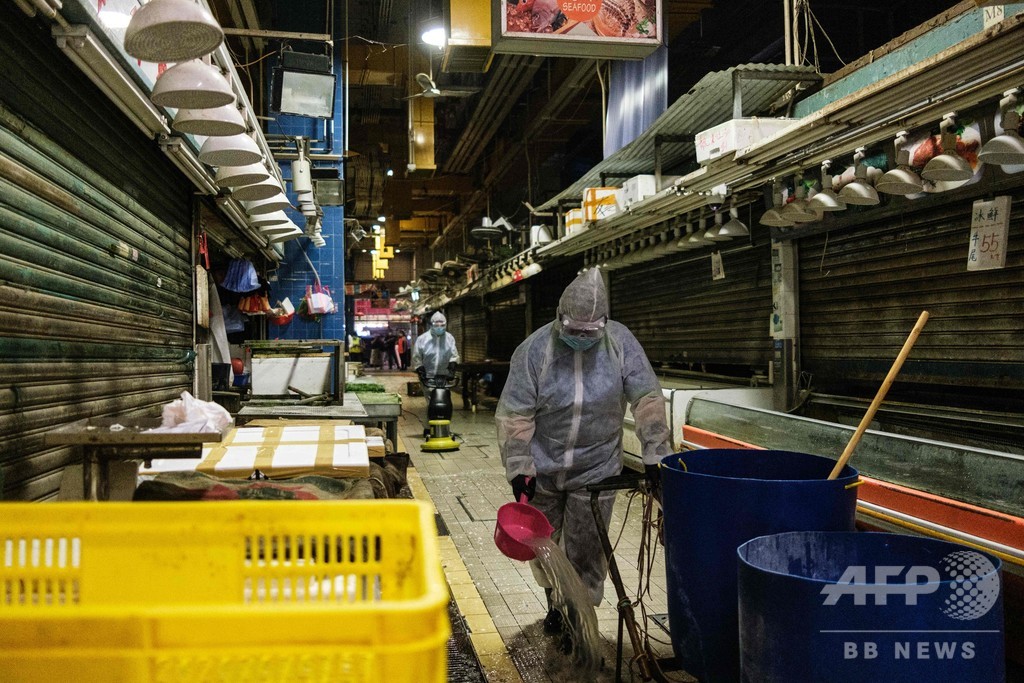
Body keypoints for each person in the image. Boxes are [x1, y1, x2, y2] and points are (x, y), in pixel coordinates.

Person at [495, 267, 672, 632]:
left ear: (604, 323)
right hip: (544, 468)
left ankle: (578, 616)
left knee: (587, 549)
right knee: (546, 548)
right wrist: (519, 467)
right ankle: (555, 606)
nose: (580, 338)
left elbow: (647, 399)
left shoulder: (621, 344)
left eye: (589, 332)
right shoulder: (534, 350)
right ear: (560, 319)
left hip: (597, 468)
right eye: (573, 330)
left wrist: (656, 454)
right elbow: (516, 414)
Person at [412, 311, 461, 384]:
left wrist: (451, 370)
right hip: (427, 377)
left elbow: (454, 356)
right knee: (430, 395)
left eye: (442, 325)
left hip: (444, 377)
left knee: (444, 395)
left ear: (445, 325)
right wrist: (421, 371)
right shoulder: (422, 339)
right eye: (436, 325)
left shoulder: (449, 338)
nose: (439, 328)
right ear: (431, 325)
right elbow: (416, 357)